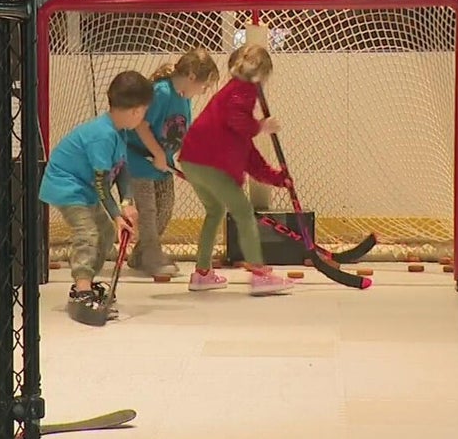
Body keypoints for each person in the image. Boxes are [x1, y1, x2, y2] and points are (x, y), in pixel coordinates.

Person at [177, 43, 294, 296]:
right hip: (209, 163)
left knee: (215, 210)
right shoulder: (244, 90)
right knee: (243, 212)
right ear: (262, 74)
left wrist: (276, 178)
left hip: (191, 160)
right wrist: (261, 126)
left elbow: (248, 154)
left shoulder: (230, 95)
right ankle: (261, 276)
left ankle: (202, 273)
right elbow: (238, 120)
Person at [39, 70, 154, 325]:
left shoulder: (120, 130)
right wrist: (116, 216)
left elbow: (122, 169)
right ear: (136, 111)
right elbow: (103, 182)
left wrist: (127, 203)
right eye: (144, 111)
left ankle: (87, 282)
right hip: (67, 186)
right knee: (88, 233)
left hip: (86, 187)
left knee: (103, 233)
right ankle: (82, 289)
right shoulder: (102, 135)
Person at [122, 48, 220, 277]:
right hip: (139, 159)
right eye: (204, 85)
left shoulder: (184, 99)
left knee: (165, 210)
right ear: (192, 76)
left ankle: (140, 255)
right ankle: (152, 256)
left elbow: (180, 134)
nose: (204, 91)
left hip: (162, 163)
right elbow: (140, 125)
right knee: (148, 210)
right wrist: (156, 154)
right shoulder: (161, 93)